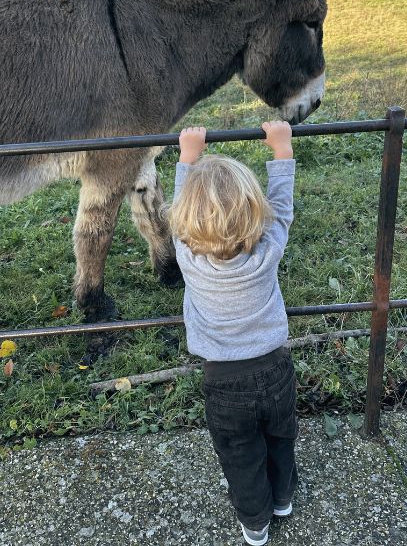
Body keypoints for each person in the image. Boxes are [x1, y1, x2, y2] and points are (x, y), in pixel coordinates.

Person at [168, 122, 298, 546]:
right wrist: (282, 150)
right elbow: (283, 204)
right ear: (256, 212)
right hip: (277, 369)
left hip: (223, 382)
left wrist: (188, 156)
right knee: (280, 438)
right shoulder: (269, 249)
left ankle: (256, 523)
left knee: (241, 455)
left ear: (184, 220)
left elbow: (176, 212)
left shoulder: (188, 257)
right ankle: (282, 499)